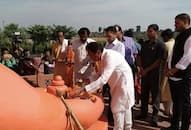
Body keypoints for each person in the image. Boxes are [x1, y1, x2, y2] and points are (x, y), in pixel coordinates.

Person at [70, 42, 135, 130]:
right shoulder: (101, 58)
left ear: (97, 52)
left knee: (118, 108)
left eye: (90, 55)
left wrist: (83, 89)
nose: (90, 58)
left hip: (123, 84)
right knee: (124, 107)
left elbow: (103, 79)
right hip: (117, 84)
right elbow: (98, 74)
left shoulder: (110, 57)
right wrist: (87, 80)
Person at [162, 13, 191, 130]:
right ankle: (174, 126)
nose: (175, 25)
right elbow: (173, 54)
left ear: (185, 22)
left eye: (177, 23)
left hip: (183, 76)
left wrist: (173, 70)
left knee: (185, 105)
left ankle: (184, 127)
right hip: (173, 76)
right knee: (176, 103)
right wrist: (167, 67)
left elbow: (187, 57)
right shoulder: (179, 36)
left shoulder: (189, 36)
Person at [137, 24, 166, 127]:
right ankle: (143, 113)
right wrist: (141, 68)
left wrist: (147, 70)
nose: (148, 33)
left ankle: (154, 116)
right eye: (148, 31)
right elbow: (139, 56)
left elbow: (159, 61)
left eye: (150, 31)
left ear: (156, 32)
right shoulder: (145, 44)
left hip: (155, 74)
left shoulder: (161, 45)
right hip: (145, 74)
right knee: (144, 94)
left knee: (155, 96)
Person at [160, 29, 175, 116]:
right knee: (171, 93)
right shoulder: (176, 43)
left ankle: (168, 111)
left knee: (165, 92)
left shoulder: (166, 45)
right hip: (175, 72)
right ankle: (169, 111)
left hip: (165, 71)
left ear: (166, 37)